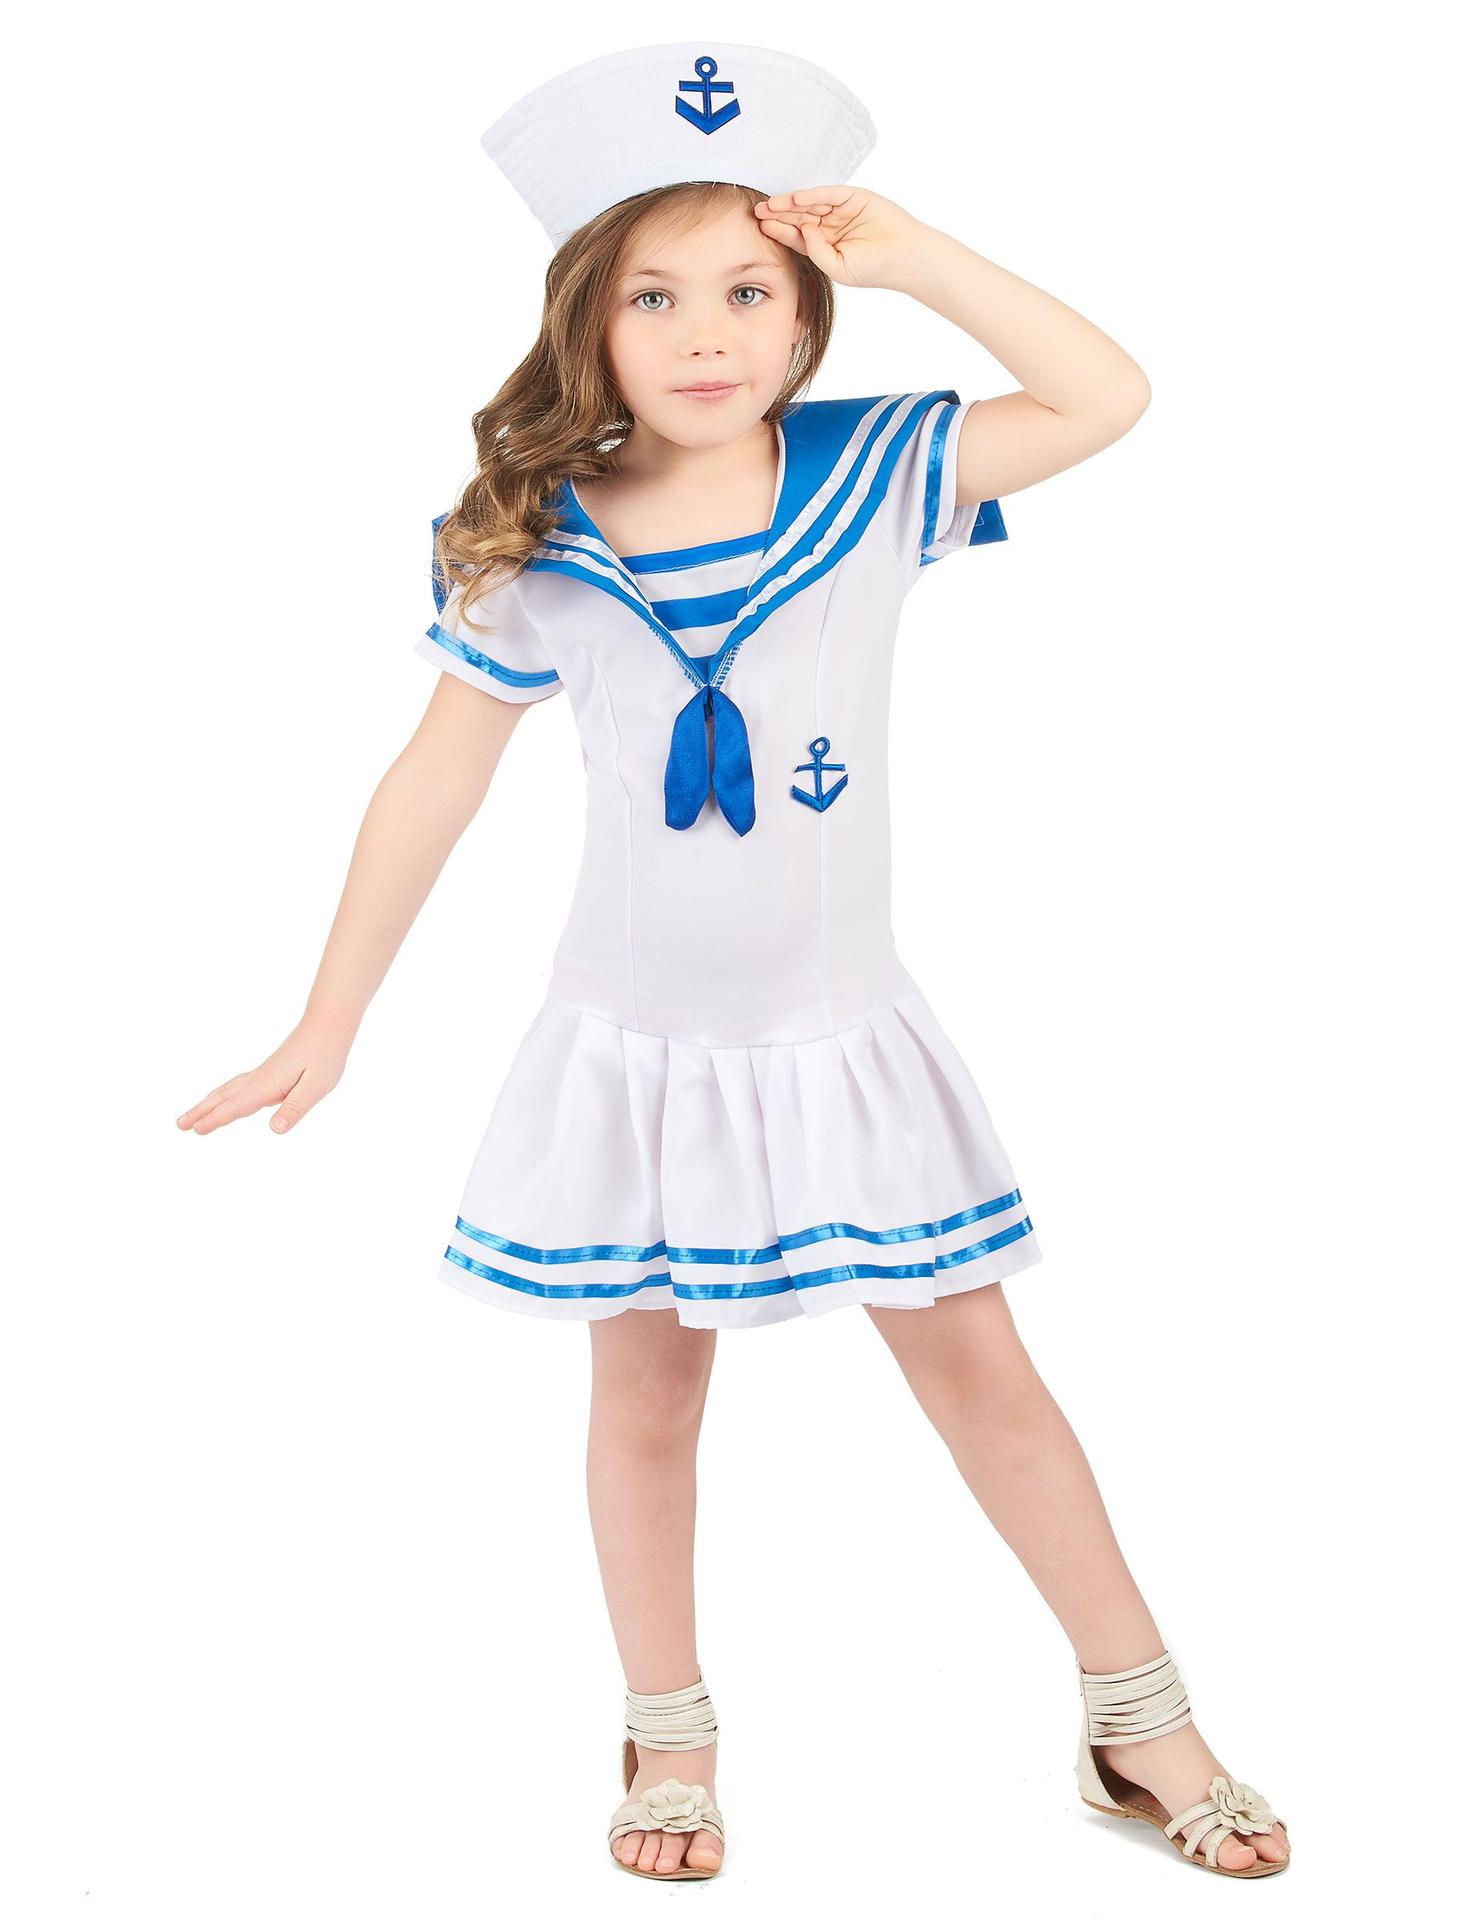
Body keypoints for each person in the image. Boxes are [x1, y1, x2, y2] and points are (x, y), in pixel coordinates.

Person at [176, 41, 1290, 1886]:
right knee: (645, 1397)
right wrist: (329, 1017)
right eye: (654, 296)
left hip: (841, 1034)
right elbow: (434, 776)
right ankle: (666, 1734)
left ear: (807, 312)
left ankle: (1138, 1717)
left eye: (750, 292)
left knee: (982, 1371)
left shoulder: (880, 472)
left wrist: (917, 253)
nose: (706, 335)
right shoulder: (534, 538)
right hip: (636, 1048)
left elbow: (1106, 395)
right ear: (586, 323)